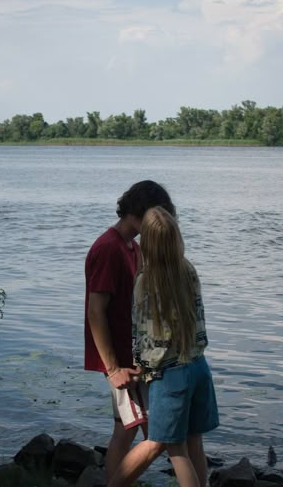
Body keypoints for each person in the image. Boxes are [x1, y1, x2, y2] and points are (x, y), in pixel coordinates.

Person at [107, 206, 219, 487]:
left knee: (171, 446)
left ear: (147, 244)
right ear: (176, 239)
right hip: (199, 367)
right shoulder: (188, 269)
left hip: (170, 375)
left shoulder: (146, 281)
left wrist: (140, 367)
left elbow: (147, 337)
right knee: (193, 441)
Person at [84, 181, 176, 481]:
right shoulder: (108, 248)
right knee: (148, 431)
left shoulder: (132, 246)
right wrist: (112, 368)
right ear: (138, 213)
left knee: (130, 428)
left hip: (135, 355)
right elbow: (95, 311)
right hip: (121, 360)